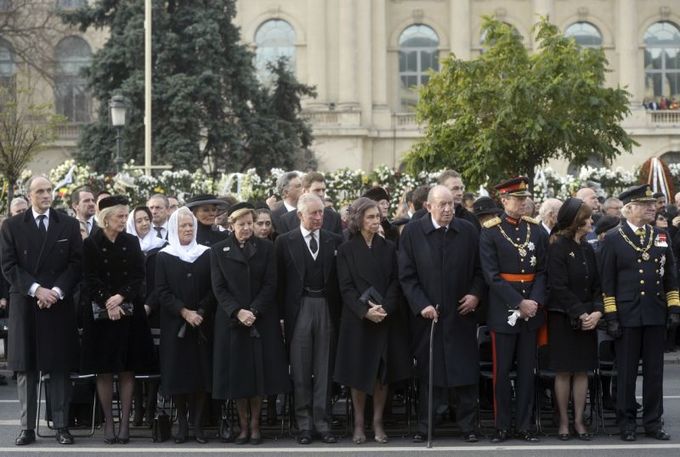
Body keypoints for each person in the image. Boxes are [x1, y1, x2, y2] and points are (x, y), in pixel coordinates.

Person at [1, 176, 82, 446]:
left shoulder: (68, 224)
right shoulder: (12, 226)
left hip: (57, 305)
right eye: (40, 191)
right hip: (26, 304)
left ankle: (61, 425)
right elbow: (9, 266)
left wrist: (56, 292)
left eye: (49, 190)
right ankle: (26, 428)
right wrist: (36, 289)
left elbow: (76, 264)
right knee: (26, 369)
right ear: (29, 194)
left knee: (58, 367)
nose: (46, 195)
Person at [400, 185, 486, 443]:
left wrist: (475, 295)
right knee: (430, 371)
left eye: (451, 205)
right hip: (429, 316)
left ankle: (468, 424)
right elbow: (406, 275)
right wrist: (421, 304)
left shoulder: (468, 230)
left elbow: (482, 270)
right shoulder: (413, 232)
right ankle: (427, 424)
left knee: (464, 370)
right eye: (442, 205)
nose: (449, 209)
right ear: (428, 207)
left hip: (461, 313)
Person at [600, 184, 680, 441]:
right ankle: (627, 422)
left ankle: (653, 422)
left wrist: (674, 308)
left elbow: (670, 277)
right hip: (626, 316)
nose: (652, 208)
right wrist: (611, 316)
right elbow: (607, 283)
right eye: (645, 205)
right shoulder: (613, 238)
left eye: (652, 205)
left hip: (654, 313)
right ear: (629, 209)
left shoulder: (660, 236)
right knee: (626, 373)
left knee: (655, 372)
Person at [335, 197, 411, 444]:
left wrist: (384, 309)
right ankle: (358, 423)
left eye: (378, 216)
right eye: (370, 217)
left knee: (381, 372)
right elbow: (345, 288)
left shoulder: (389, 247)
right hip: (358, 319)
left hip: (384, 317)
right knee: (359, 371)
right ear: (358, 220)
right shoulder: (346, 249)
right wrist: (364, 311)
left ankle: (377, 421)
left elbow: (395, 282)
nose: (376, 221)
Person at [212, 202, 289, 445]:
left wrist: (253, 310)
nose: (246, 228)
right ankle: (242, 426)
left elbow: (271, 283)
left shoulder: (266, 248)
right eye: (241, 224)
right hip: (232, 322)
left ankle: (256, 425)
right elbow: (218, 287)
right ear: (231, 225)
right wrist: (237, 311)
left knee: (259, 376)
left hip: (260, 320)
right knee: (238, 376)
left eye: (250, 223)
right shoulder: (218, 250)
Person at [80, 196, 154, 444]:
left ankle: (124, 424)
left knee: (126, 369)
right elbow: (89, 279)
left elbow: (138, 276)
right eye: (120, 216)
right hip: (101, 316)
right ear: (106, 217)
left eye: (125, 216)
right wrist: (107, 302)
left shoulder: (131, 242)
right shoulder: (91, 243)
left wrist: (120, 298)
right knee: (103, 370)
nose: (124, 220)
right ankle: (108, 423)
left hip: (129, 313)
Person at [479, 176, 547, 443]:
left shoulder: (536, 230)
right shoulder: (490, 231)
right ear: (504, 200)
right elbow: (491, 275)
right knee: (502, 372)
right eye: (517, 199)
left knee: (527, 372)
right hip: (503, 311)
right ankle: (502, 426)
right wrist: (518, 302)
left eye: (524, 198)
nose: (523, 203)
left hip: (531, 310)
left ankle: (525, 425)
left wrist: (534, 302)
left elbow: (543, 271)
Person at [275, 194, 343, 445]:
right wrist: (282, 317)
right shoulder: (284, 242)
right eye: (313, 213)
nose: (319, 217)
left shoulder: (334, 240)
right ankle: (303, 424)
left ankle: (323, 423)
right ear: (299, 215)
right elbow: (279, 282)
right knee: (301, 369)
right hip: (298, 308)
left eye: (321, 213)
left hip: (326, 306)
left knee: (324, 368)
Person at [156, 207, 215, 443]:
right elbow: (162, 291)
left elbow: (214, 288)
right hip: (175, 326)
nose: (188, 229)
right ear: (174, 228)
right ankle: (181, 423)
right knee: (178, 376)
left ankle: (197, 424)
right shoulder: (164, 256)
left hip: (202, 324)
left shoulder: (207, 254)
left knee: (200, 375)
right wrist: (184, 311)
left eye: (191, 225)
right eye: (183, 226)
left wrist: (200, 311)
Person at [546, 198, 602, 441]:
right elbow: (558, 286)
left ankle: (579, 420)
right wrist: (580, 312)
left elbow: (598, 286)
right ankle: (564, 422)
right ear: (577, 222)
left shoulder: (588, 248)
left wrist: (597, 312)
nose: (591, 221)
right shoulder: (557, 246)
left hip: (588, 318)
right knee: (563, 371)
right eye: (588, 218)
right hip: (564, 318)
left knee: (582, 372)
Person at [125, 206, 166, 426]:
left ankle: (150, 408)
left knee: (153, 363)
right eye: (139, 220)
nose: (144, 223)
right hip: (130, 312)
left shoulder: (162, 248)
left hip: (155, 313)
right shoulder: (127, 246)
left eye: (147, 219)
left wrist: (149, 305)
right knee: (134, 363)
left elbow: (163, 283)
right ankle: (137, 408)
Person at [279, 172, 343, 235]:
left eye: (323, 190)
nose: (321, 194)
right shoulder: (287, 220)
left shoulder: (334, 218)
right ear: (304, 191)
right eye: (317, 190)